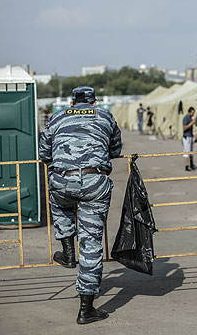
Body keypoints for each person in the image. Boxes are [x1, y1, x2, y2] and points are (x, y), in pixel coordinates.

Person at [38, 86, 122, 324]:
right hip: (94, 182)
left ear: (72, 102)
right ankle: (86, 309)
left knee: (57, 199)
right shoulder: (105, 115)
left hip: (62, 179)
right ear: (94, 102)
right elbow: (115, 149)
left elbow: (44, 152)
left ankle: (66, 251)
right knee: (91, 244)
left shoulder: (57, 117)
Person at [182, 107, 196, 171]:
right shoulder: (186, 118)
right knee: (186, 151)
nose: (193, 114)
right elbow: (184, 128)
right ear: (189, 112)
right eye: (193, 112)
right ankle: (186, 165)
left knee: (191, 151)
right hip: (186, 137)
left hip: (190, 136)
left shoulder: (190, 118)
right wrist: (191, 123)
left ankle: (191, 164)